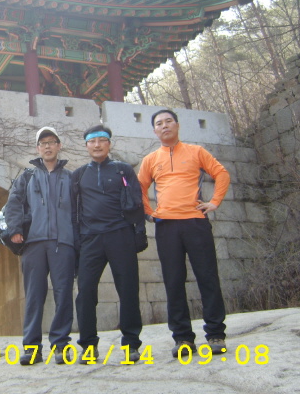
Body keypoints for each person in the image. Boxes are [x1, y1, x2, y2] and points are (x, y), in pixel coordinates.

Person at [138, 109, 230, 358]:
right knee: (173, 281)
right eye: (159, 123)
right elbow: (139, 188)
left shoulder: (196, 152)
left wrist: (214, 202)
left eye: (169, 121)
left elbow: (221, 173)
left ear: (177, 125)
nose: (164, 126)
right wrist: (149, 213)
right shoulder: (150, 159)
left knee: (207, 277)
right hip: (166, 226)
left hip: (195, 222)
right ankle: (182, 338)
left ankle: (215, 334)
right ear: (155, 131)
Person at [71, 125, 144, 364]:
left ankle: (131, 344)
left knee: (128, 290)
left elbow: (137, 201)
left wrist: (139, 233)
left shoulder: (123, 169)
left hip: (120, 235)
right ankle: (88, 346)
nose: (97, 145)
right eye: (92, 141)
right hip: (90, 239)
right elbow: (73, 211)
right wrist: (77, 241)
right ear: (86, 146)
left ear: (109, 144)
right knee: (85, 293)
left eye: (102, 140)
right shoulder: (79, 174)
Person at [3, 126, 76, 365]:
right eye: (43, 143)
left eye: (52, 142)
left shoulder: (71, 177)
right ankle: (32, 348)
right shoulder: (27, 176)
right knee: (34, 295)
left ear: (59, 146)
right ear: (38, 148)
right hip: (33, 243)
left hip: (63, 243)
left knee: (64, 294)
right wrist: (15, 230)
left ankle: (61, 345)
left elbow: (79, 210)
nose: (47, 146)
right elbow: (14, 203)